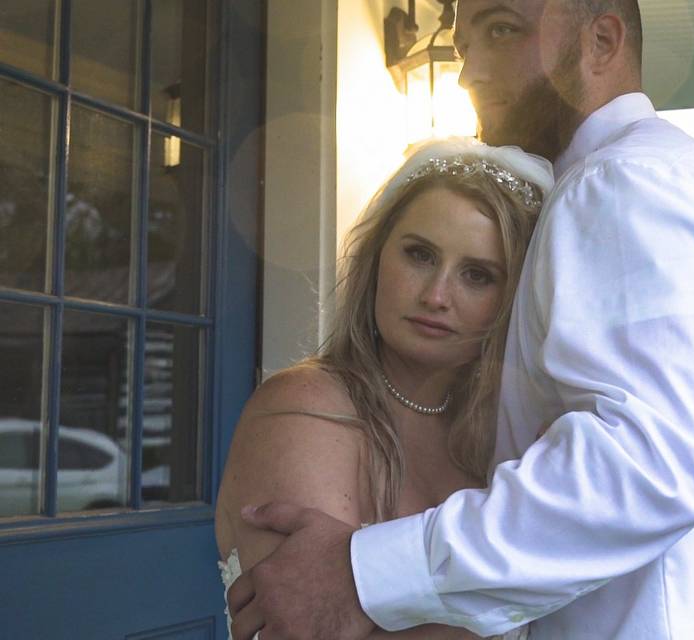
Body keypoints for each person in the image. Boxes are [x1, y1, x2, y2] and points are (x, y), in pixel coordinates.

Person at [228, 1, 694, 638]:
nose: (469, 71)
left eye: (502, 31)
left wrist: (366, 575)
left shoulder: (624, 185)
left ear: (602, 40)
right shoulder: (661, 175)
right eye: (465, 41)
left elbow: (645, 466)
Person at [215, 137, 553, 639]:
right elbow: (305, 627)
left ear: (512, 301)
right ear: (377, 258)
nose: (436, 295)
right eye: (419, 255)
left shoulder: (501, 435)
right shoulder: (307, 407)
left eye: (477, 275)